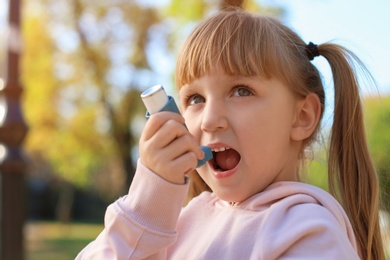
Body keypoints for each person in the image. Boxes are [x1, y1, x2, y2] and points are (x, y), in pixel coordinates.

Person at [76, 8, 385, 260]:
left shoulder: (308, 231)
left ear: (302, 117)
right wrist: (145, 209)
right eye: (195, 99)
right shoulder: (178, 224)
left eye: (241, 91)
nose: (210, 120)